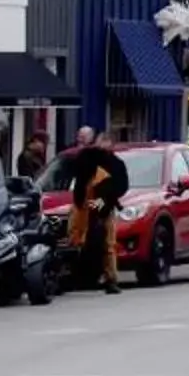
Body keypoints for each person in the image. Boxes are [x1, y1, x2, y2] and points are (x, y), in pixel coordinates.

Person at [45, 126, 131, 295]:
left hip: (103, 205)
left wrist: (103, 201)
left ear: (111, 145)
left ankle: (111, 279)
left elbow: (120, 186)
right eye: (100, 141)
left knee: (108, 244)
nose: (102, 146)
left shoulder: (116, 164)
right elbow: (77, 173)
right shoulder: (87, 157)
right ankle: (64, 276)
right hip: (82, 204)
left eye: (106, 142)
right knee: (73, 238)